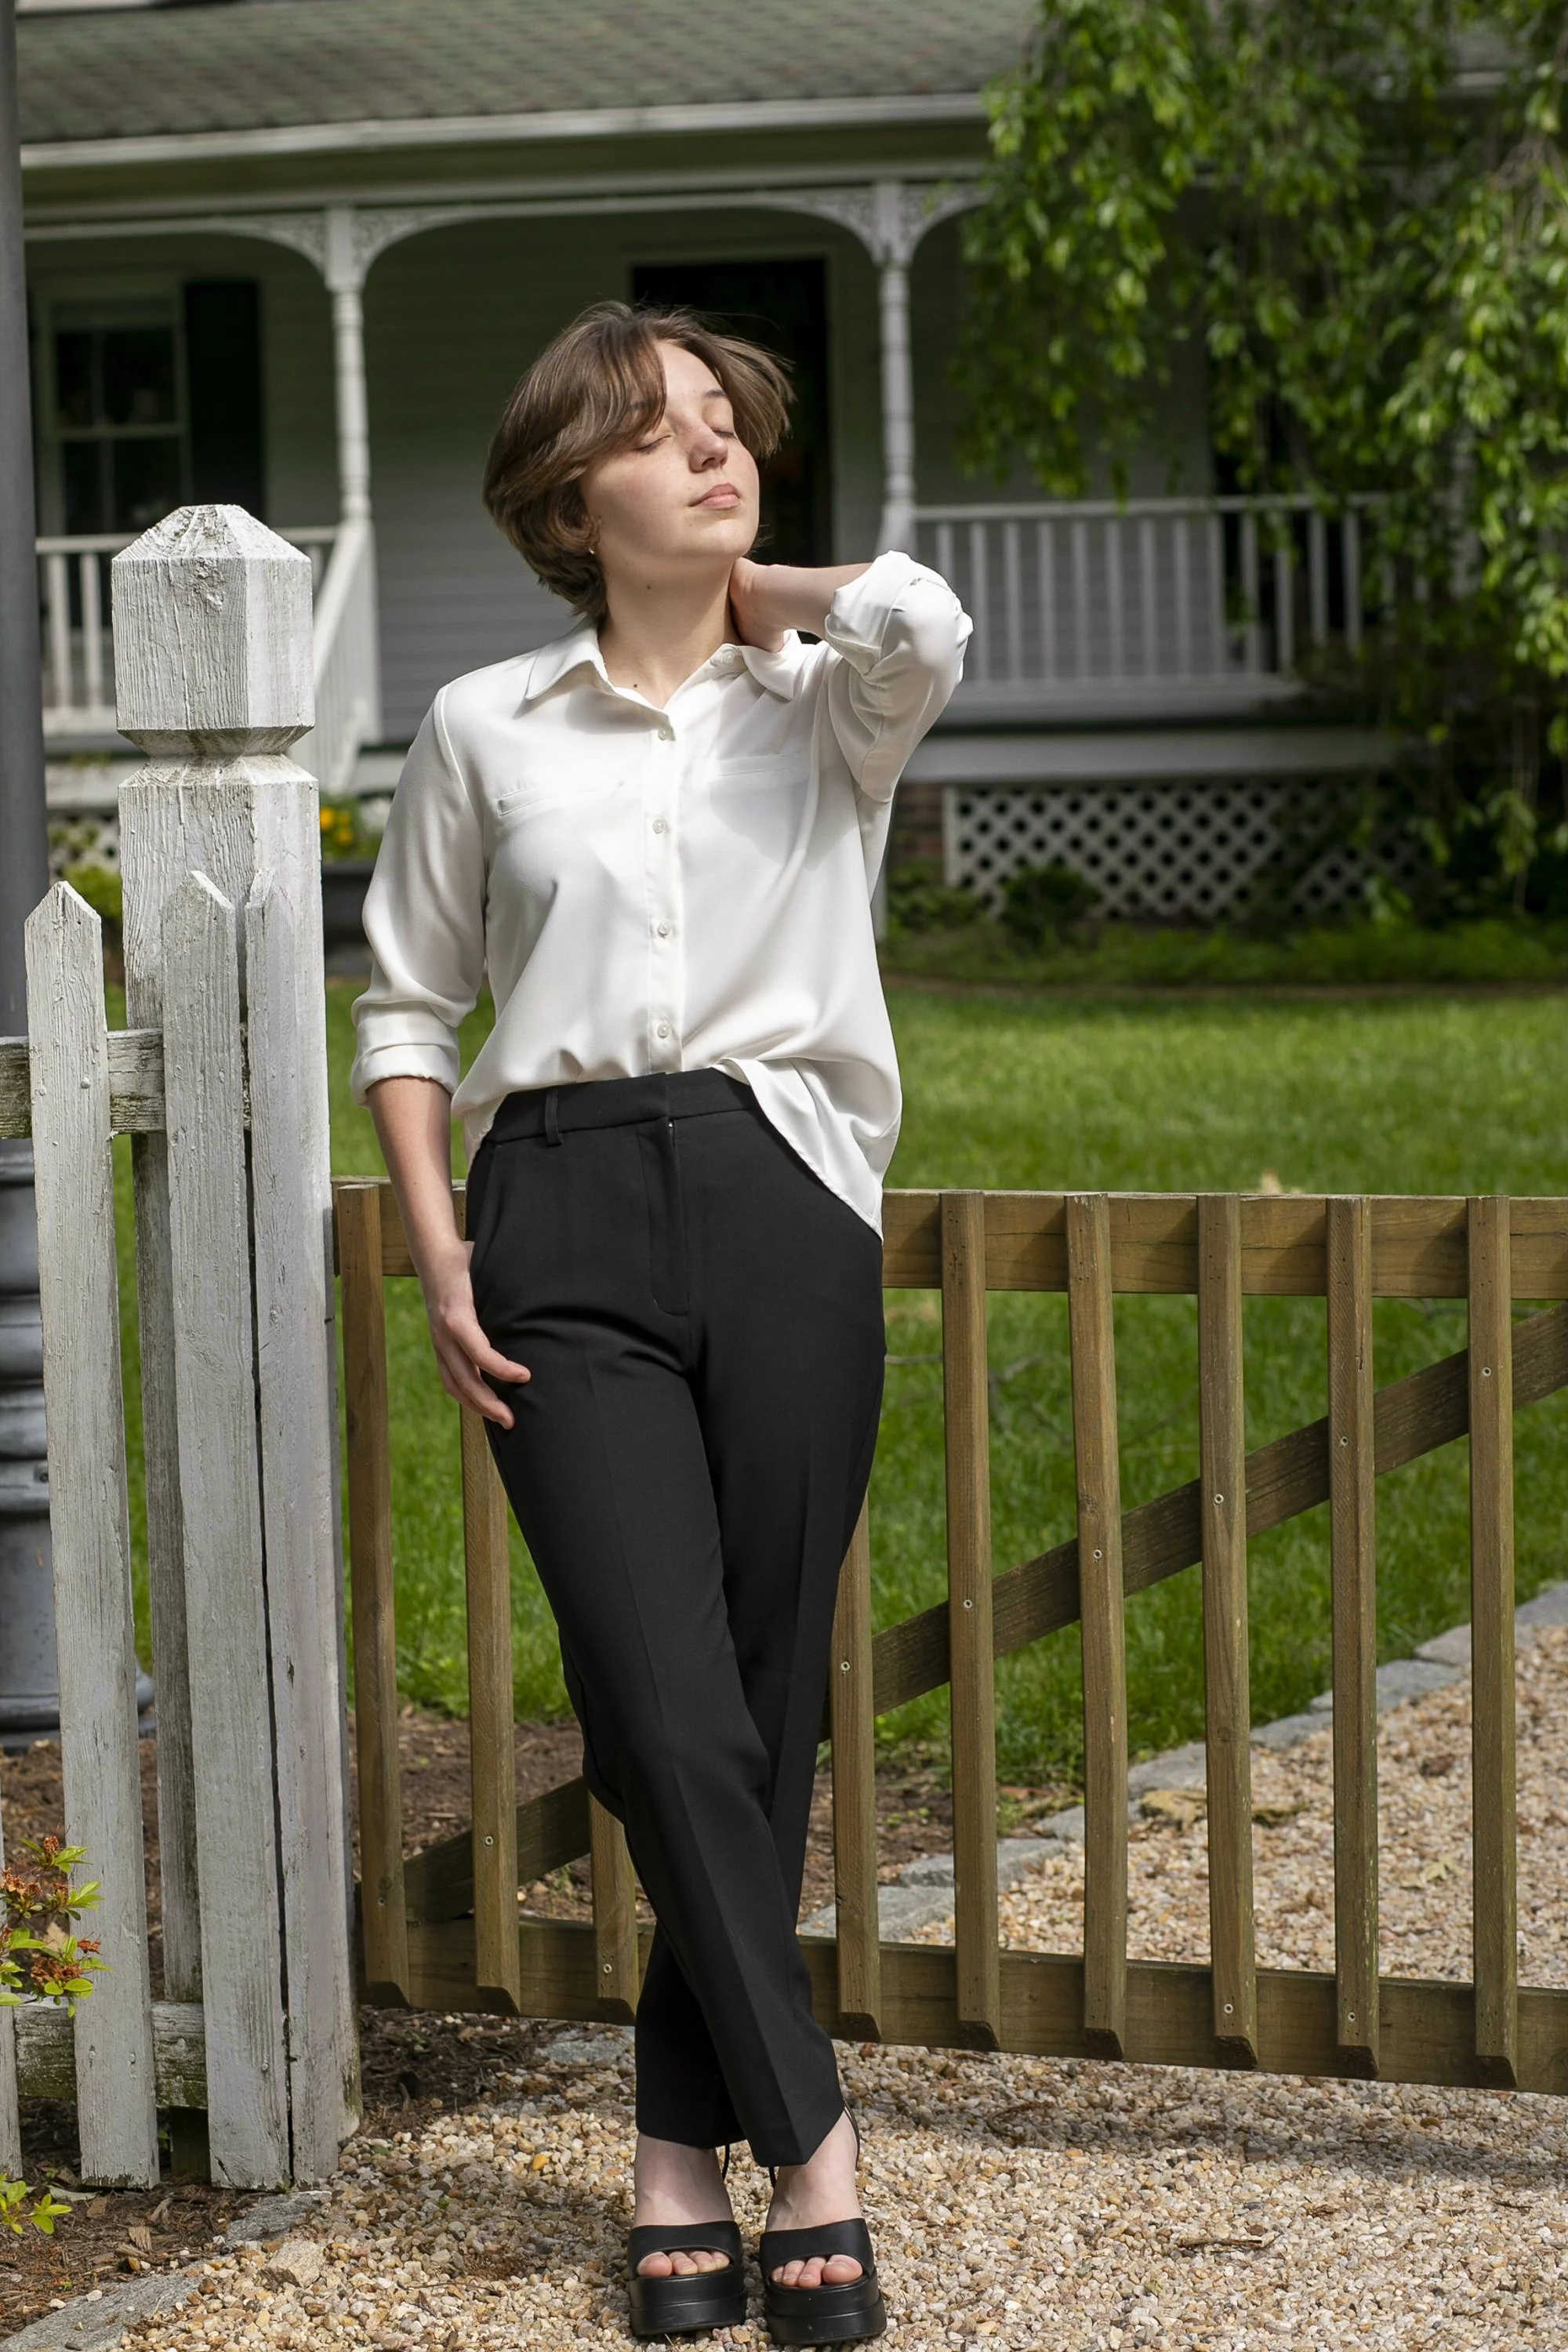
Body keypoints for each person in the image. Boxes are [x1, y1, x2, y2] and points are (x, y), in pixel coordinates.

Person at [350, 299, 970, 2346]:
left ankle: (669, 2148)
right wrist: (440, 1244)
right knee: (657, 1703)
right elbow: (407, 1005)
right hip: (558, 1222)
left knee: (760, 1697)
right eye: (661, 434)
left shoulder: (824, 703)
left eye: (733, 430)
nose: (716, 455)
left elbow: (925, 620)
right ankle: (816, 2142)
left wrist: (741, 583)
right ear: (564, 489)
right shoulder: (483, 729)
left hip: (784, 1199)